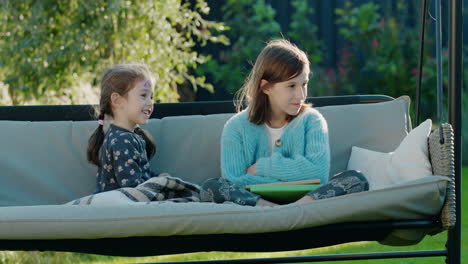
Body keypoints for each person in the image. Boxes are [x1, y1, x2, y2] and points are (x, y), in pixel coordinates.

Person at [200, 39, 368, 206]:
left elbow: (319, 173)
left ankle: (295, 209)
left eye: (304, 84)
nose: (301, 95)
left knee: (356, 179)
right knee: (212, 187)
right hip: (256, 204)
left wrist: (261, 168)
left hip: (307, 201)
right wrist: (296, 175)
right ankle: (272, 210)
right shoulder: (236, 127)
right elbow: (235, 182)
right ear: (266, 87)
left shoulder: (313, 121)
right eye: (291, 86)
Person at [86, 63, 199, 196]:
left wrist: (158, 178)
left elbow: (142, 174)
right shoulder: (121, 141)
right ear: (117, 101)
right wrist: (159, 185)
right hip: (120, 208)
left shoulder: (129, 136)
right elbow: (133, 188)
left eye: (151, 97)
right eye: (143, 95)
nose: (151, 102)